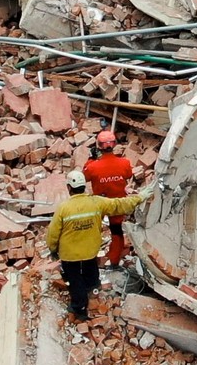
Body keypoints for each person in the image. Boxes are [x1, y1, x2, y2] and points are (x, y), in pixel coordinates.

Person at [46, 170, 154, 321]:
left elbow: (53, 233)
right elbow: (120, 204)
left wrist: (53, 249)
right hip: (90, 251)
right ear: (84, 186)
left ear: (69, 188)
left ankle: (79, 310)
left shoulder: (64, 208)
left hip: (70, 255)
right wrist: (140, 197)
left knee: (75, 281)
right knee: (91, 274)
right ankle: (93, 292)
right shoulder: (96, 202)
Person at [83, 130, 133, 268]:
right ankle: (114, 261)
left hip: (99, 203)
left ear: (99, 146)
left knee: (93, 232)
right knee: (116, 232)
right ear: (114, 144)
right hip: (117, 204)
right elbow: (128, 175)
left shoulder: (92, 167)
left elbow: (84, 177)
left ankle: (90, 261)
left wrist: (91, 158)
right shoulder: (125, 163)